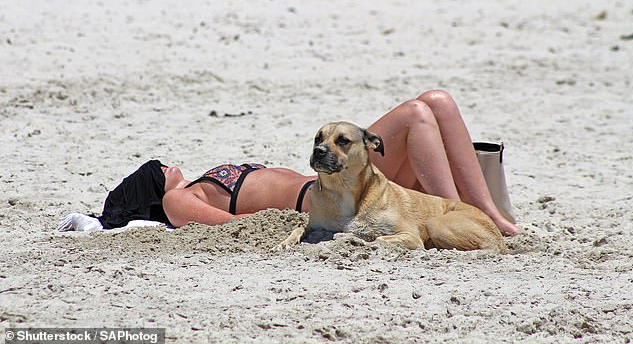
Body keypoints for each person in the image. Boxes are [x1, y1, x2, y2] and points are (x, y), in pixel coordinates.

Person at [58, 90, 519, 236]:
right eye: (159, 170)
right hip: (338, 200)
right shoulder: (180, 199)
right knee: (418, 113)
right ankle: (464, 213)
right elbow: (239, 229)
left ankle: (493, 217)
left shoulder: (192, 186)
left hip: (356, 183)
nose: (169, 166)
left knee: (434, 103)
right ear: (154, 188)